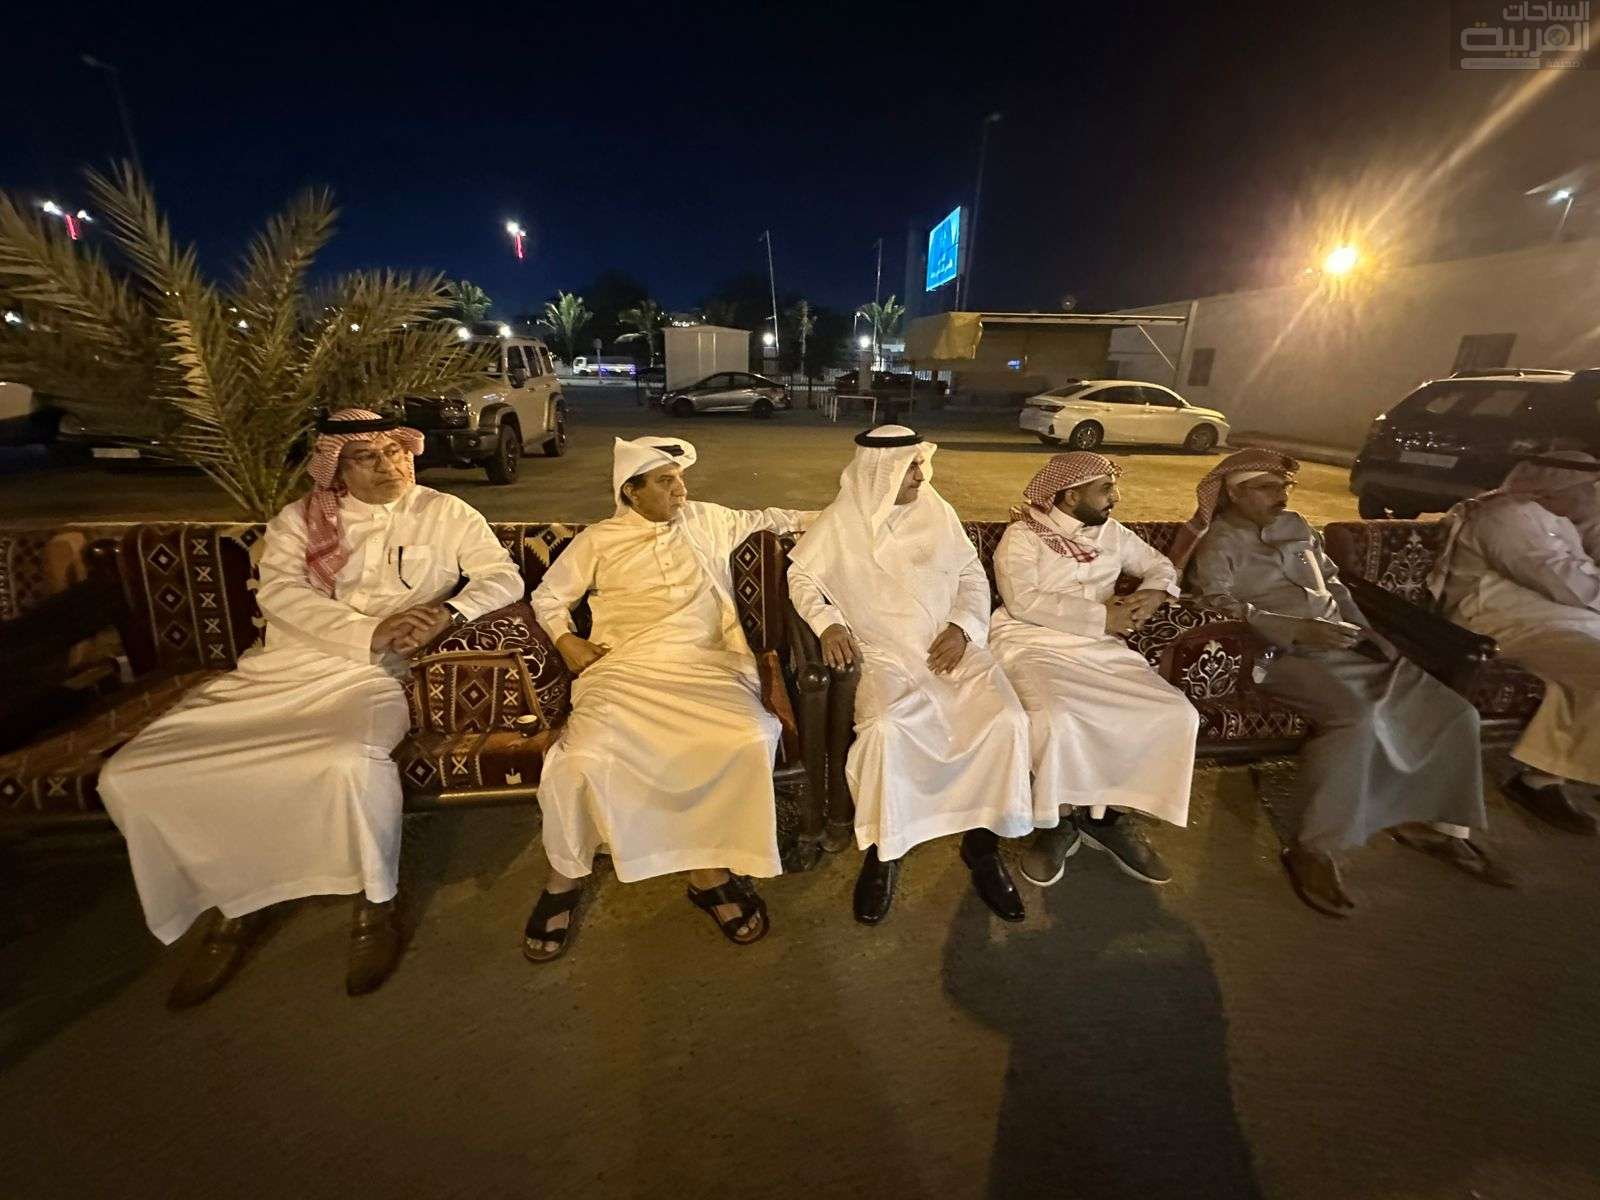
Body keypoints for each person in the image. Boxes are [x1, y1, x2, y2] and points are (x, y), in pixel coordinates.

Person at [99, 409, 524, 1005]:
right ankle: (236, 903)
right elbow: (280, 593)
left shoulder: (446, 512)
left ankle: (374, 907)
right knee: (134, 773)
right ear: (337, 468)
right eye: (367, 457)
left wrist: (447, 614)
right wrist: (370, 629)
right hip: (280, 671)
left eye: (396, 451)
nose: (389, 466)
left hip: (372, 678)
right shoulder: (298, 521)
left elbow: (502, 577)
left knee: (348, 764)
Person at [1173, 449, 1510, 916]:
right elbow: (1214, 603)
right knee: (1354, 719)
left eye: (1285, 486)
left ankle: (1436, 826)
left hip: (1346, 645)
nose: (1281, 496)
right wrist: (1292, 629)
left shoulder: (1297, 527)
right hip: (1273, 654)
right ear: (1234, 493)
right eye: (1268, 487)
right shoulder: (1220, 540)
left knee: (1454, 712)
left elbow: (1336, 585)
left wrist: (1368, 633)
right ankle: (1315, 849)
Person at [522, 436, 814, 960]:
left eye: (680, 479)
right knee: (582, 757)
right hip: (625, 668)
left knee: (749, 735)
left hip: (708, 665)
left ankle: (708, 869)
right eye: (665, 482)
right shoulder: (598, 540)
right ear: (630, 492)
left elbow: (777, 517)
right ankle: (564, 875)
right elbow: (548, 596)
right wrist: (565, 640)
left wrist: (865, 511)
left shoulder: (706, 519)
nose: (681, 490)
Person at [788, 426, 1034, 925]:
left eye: (921, 465)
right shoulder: (841, 521)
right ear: (880, 474)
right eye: (911, 468)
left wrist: (962, 628)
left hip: (950, 648)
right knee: (886, 730)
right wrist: (829, 623)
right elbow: (802, 576)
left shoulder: (937, 510)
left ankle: (982, 845)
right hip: (884, 656)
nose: (922, 476)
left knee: (1006, 720)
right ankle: (886, 849)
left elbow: (970, 574)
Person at [988, 452, 1199, 889]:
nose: (1115, 498)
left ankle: (1110, 818)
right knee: (1057, 717)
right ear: (1070, 495)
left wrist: (1154, 594)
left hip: (1101, 647)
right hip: (1032, 641)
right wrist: (1102, 617)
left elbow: (1160, 565)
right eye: (1106, 489)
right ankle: (1059, 820)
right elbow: (1023, 601)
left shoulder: (1112, 533)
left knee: (1175, 713)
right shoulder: (1023, 535)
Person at [1429, 452, 1600, 834]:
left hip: (1565, 621)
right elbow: (1566, 584)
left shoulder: (1559, 516)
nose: (1594, 496)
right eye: (1588, 490)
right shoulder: (1504, 516)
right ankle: (1539, 781)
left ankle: (1558, 772)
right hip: (1501, 624)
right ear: (1555, 489)